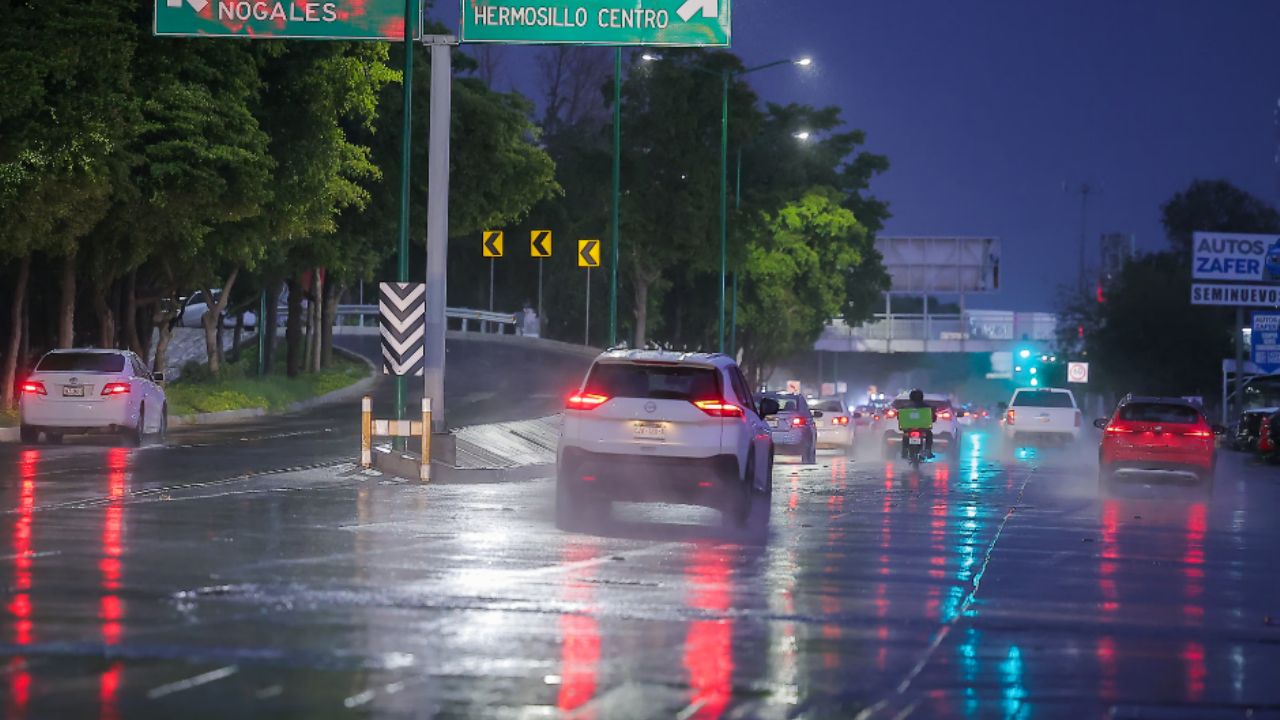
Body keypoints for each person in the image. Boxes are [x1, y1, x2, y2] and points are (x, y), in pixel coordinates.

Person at [897, 388, 936, 459]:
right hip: (923, 428)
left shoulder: (905, 407)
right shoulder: (927, 407)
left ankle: (904, 452)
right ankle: (928, 450)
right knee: (929, 435)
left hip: (908, 428)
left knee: (905, 436)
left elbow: (899, 417)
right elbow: (933, 418)